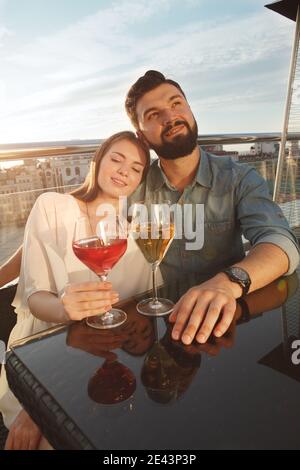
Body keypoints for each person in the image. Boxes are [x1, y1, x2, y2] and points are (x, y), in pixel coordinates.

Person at [0, 130, 154, 449]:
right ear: (97, 161)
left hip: (101, 355)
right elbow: (36, 295)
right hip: (41, 352)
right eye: (117, 158)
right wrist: (63, 309)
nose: (125, 170)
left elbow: (137, 308)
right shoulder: (53, 206)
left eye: (137, 167)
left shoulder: (132, 232)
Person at [124, 70, 300, 347]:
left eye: (176, 103)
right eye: (153, 115)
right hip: (157, 321)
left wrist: (227, 283)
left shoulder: (239, 178)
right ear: (142, 137)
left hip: (224, 321)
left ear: (191, 110)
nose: (170, 117)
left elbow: (280, 243)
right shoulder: (132, 186)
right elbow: (80, 213)